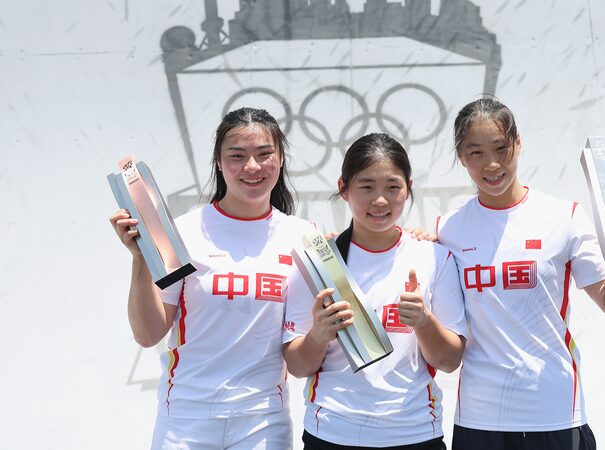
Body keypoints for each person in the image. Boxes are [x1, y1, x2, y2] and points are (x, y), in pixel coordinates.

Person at [435, 98, 605, 450]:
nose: (491, 164)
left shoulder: (564, 217)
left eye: (501, 148)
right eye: (475, 152)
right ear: (461, 156)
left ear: (518, 143)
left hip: (554, 413)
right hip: (479, 418)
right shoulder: (448, 230)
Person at [110, 107, 314, 450]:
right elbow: (148, 334)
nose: (252, 167)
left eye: (264, 155)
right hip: (187, 420)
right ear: (219, 162)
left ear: (280, 159)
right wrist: (140, 260)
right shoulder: (183, 232)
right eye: (237, 156)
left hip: (263, 421)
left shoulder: (303, 236)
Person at [282, 133, 467, 450]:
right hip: (331, 433)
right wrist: (319, 335)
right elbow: (298, 367)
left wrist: (423, 321)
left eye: (392, 187)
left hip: (415, 433)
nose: (380, 200)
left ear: (408, 188)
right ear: (344, 189)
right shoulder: (319, 263)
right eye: (366, 187)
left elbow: (450, 361)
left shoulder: (435, 258)